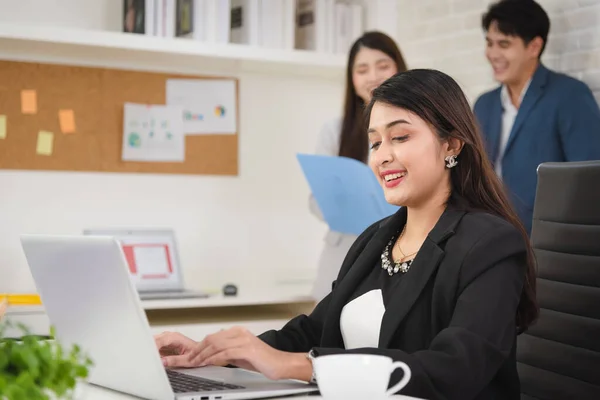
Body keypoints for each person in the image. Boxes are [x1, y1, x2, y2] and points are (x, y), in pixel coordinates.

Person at [154, 69, 539, 400]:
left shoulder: (490, 243)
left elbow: (455, 368)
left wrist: (299, 366)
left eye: (400, 137)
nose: (382, 155)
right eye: (374, 142)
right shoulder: (376, 239)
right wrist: (214, 354)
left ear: (451, 144)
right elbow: (315, 329)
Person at [474, 0, 600, 235]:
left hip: (549, 241)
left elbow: (590, 180)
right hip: (490, 238)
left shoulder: (569, 95)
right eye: (489, 43)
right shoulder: (484, 104)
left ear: (534, 47)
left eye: (504, 44)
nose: (493, 54)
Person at [310, 31, 407, 301]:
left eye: (383, 66)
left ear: (400, 68)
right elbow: (316, 202)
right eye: (362, 69)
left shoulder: (417, 128)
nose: (373, 76)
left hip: (399, 248)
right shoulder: (335, 131)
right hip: (344, 250)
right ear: (351, 79)